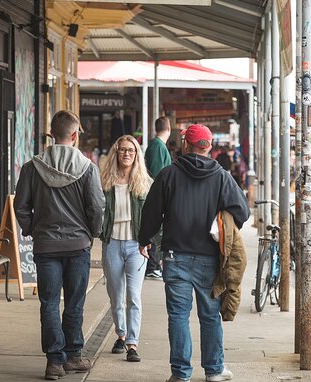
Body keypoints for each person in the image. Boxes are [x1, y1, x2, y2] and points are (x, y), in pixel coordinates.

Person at [139, 124, 250, 382]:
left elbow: (152, 213)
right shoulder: (221, 177)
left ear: (185, 145)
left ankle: (180, 374)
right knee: (209, 315)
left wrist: (144, 240)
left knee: (178, 315)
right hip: (209, 259)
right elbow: (242, 212)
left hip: (174, 257)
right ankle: (213, 371)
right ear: (208, 147)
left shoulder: (168, 175)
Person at [14, 110, 105, 381]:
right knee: (75, 302)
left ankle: (54, 362)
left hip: (46, 247)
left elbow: (21, 207)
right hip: (78, 246)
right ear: (75, 136)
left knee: (49, 303)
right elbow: (97, 206)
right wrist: (92, 233)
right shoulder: (88, 168)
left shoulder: (32, 167)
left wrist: (33, 229)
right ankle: (74, 355)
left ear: (52, 134)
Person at [99, 135, 152, 363]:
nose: (127, 154)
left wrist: (150, 240)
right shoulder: (106, 182)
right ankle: (120, 334)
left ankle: (132, 343)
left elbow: (154, 214)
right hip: (111, 243)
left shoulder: (143, 183)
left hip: (135, 247)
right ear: (116, 153)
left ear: (137, 154)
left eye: (131, 150)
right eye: (122, 150)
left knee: (134, 296)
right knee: (115, 294)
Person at [143, 116, 172, 280]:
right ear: (168, 128)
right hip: (155, 194)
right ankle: (152, 266)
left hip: (157, 194)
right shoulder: (157, 147)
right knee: (154, 229)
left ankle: (154, 265)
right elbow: (155, 174)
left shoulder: (157, 146)